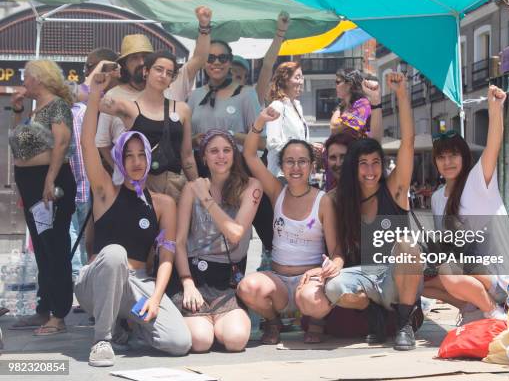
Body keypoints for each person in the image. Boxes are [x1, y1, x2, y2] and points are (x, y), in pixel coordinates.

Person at [76, 72, 191, 367]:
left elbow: (167, 255)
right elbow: (88, 144)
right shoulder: (105, 192)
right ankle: (102, 339)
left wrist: (154, 298)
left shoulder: (164, 203)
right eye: (129, 155)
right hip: (96, 281)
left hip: (137, 284)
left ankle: (130, 325)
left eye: (142, 155)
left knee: (179, 343)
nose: (137, 161)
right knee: (114, 253)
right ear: (119, 158)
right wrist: (94, 97)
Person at [325, 72, 424, 351]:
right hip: (365, 278)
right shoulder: (342, 200)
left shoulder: (394, 190)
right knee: (333, 287)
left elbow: (409, 142)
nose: (370, 170)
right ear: (354, 167)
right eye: (363, 163)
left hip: (398, 278)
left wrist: (401, 94)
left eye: (376, 162)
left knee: (408, 246)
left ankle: (404, 323)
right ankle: (376, 311)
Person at [237, 108, 343, 344]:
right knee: (247, 287)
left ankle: (316, 321)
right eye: (290, 162)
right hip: (279, 281)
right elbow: (250, 156)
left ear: (312, 166)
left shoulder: (323, 200)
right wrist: (260, 120)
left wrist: (327, 270)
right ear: (282, 166)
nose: (296, 168)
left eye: (302, 162)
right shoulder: (277, 192)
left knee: (312, 300)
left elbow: (336, 252)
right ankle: (273, 322)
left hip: (310, 281)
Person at [424, 85, 509, 323]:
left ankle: (493, 311)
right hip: (471, 272)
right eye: (441, 157)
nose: (447, 162)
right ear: (435, 162)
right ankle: (473, 308)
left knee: (448, 270)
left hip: (500, 275)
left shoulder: (477, 181)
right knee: (417, 280)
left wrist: (495, 109)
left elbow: (493, 145)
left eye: (453, 155)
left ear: (464, 156)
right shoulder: (437, 198)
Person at [173, 129, 261, 352]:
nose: (221, 156)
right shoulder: (191, 189)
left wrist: (207, 198)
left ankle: (217, 320)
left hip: (227, 280)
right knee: (201, 341)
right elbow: (180, 241)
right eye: (213, 151)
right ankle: (201, 320)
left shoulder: (251, 186)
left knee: (236, 340)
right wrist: (187, 282)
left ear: (234, 154)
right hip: (196, 277)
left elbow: (235, 233)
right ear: (203, 157)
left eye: (226, 150)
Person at [188, 39, 274, 262]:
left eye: (222, 58)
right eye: (211, 58)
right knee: (205, 231)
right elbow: (185, 142)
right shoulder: (195, 96)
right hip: (205, 171)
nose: (216, 62)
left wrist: (228, 134)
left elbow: (262, 142)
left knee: (243, 231)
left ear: (229, 61)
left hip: (239, 173)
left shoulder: (246, 94)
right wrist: (197, 140)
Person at [96, 6, 212, 168]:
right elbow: (102, 143)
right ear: (124, 64)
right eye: (134, 58)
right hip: (133, 181)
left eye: (145, 57)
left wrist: (204, 26)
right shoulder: (114, 96)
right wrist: (121, 172)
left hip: (173, 177)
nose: (141, 62)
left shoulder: (171, 82)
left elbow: (199, 58)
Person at [8, 60, 76, 336]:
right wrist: (16, 110)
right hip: (31, 184)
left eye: (27, 78)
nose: (24, 82)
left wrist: (50, 178)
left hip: (50, 182)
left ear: (40, 79)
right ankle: (43, 309)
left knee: (54, 247)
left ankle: (59, 314)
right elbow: (18, 142)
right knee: (41, 248)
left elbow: (61, 142)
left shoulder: (57, 106)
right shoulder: (36, 111)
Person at [97, 50, 198, 201]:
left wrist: (199, 190)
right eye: (158, 69)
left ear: (172, 79)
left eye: (169, 73)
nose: (163, 75)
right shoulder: (128, 107)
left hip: (173, 183)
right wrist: (102, 75)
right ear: (146, 71)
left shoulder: (182, 109)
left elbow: (187, 155)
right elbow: (90, 99)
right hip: (140, 182)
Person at [69, 48, 119, 280]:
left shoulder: (117, 98)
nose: (87, 72)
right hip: (88, 183)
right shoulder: (87, 98)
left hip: (110, 183)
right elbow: (78, 93)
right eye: (88, 67)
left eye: (90, 66)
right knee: (90, 244)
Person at [232, 11, 290, 105]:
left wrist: (280, 32)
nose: (232, 80)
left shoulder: (252, 101)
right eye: (229, 75)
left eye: (238, 77)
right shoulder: (210, 100)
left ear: (244, 81)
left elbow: (267, 66)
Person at [264, 62, 309, 177]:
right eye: (297, 77)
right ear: (285, 80)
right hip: (281, 175)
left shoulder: (297, 106)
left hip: (297, 174)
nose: (301, 81)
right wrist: (302, 149)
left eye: (302, 77)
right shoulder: (277, 106)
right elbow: (273, 143)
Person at [330, 69, 371, 138]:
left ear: (349, 84)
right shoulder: (344, 106)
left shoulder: (363, 104)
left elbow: (334, 127)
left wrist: (339, 108)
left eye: (338, 82)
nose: (335, 86)